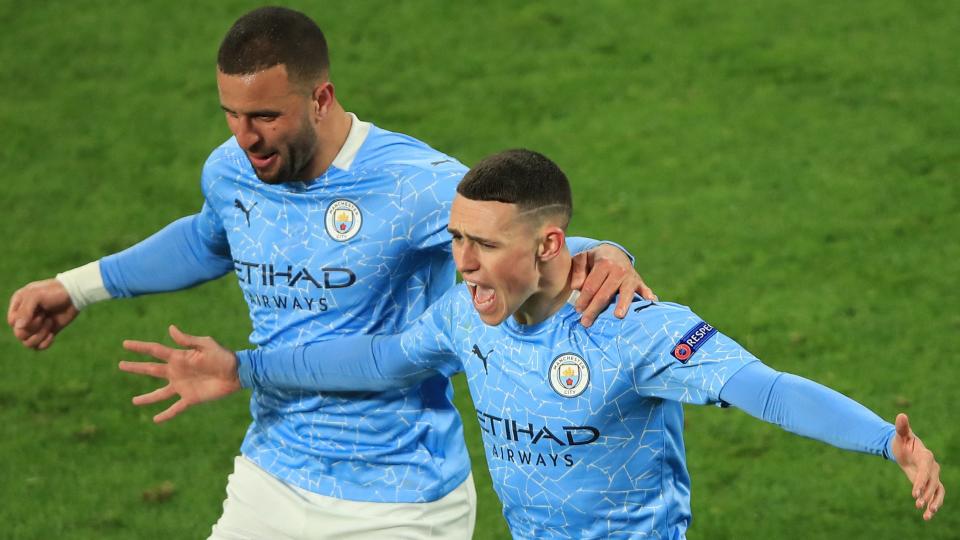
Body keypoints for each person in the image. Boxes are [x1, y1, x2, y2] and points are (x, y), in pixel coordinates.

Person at [4, 7, 653, 540]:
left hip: (401, 501)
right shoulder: (231, 170)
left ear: (321, 98)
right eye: (230, 114)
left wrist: (610, 252)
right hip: (273, 475)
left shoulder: (409, 185)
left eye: (264, 117)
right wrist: (75, 287)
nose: (245, 137)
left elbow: (517, 235)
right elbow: (208, 239)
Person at [120, 149, 944, 539]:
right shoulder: (460, 319)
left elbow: (762, 388)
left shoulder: (633, 326)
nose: (463, 264)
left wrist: (886, 443)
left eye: (484, 246)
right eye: (455, 240)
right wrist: (245, 367)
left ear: (551, 246)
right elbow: (377, 359)